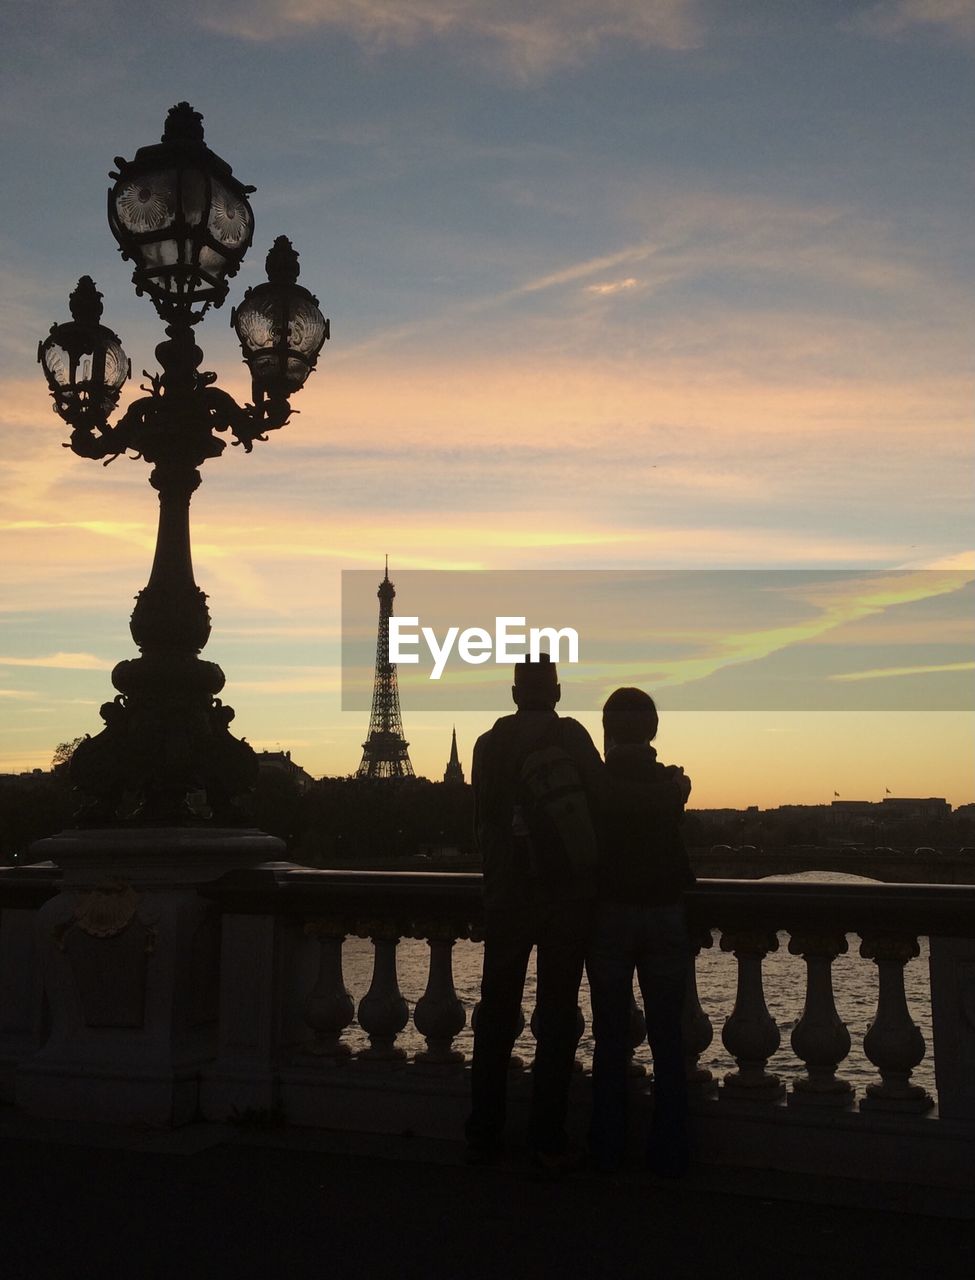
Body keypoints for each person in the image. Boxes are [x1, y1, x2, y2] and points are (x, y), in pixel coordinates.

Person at [465, 656, 688, 1172]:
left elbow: (482, 822)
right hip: (565, 898)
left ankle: (484, 1130)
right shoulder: (570, 735)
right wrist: (673, 791)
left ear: (514, 692)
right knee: (558, 1015)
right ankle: (547, 1136)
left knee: (495, 1015)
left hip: (504, 897)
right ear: (558, 691)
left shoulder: (486, 743)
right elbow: (610, 799)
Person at [585, 686, 696, 1177]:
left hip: (607, 914)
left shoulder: (594, 784)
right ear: (652, 730)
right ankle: (669, 1151)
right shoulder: (671, 786)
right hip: (665, 912)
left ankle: (607, 1147)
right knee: (668, 1038)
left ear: (607, 731)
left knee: (610, 1037)